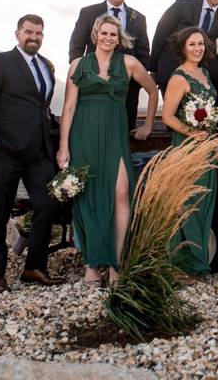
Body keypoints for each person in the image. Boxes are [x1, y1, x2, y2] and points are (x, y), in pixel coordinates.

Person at [56, 15, 158, 286]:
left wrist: (147, 124)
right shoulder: (78, 64)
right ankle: (91, 264)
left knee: (121, 193)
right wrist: (63, 146)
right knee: (87, 197)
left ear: (119, 37)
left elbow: (152, 90)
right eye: (104, 33)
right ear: (95, 34)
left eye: (113, 34)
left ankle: (116, 263)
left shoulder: (129, 63)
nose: (109, 38)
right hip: (83, 135)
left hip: (115, 134)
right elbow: (68, 107)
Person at [0, 14, 63, 293]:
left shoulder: (47, 66)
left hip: (39, 153)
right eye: (28, 32)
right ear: (17, 33)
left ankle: (34, 267)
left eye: (39, 33)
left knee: (47, 204)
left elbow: (40, 107)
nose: (33, 37)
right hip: (6, 151)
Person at [160, 26, 218, 276]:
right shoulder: (179, 78)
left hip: (206, 146)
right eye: (192, 44)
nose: (197, 48)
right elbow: (167, 116)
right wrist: (192, 132)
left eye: (201, 44)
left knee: (204, 201)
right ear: (183, 48)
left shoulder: (204, 72)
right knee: (188, 203)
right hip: (187, 147)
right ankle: (186, 263)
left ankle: (200, 257)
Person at [68, 0, 150, 130]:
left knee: (123, 131)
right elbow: (76, 47)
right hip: (93, 85)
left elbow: (144, 53)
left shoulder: (139, 18)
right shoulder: (88, 13)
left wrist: (135, 81)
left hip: (126, 89)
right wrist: (82, 73)